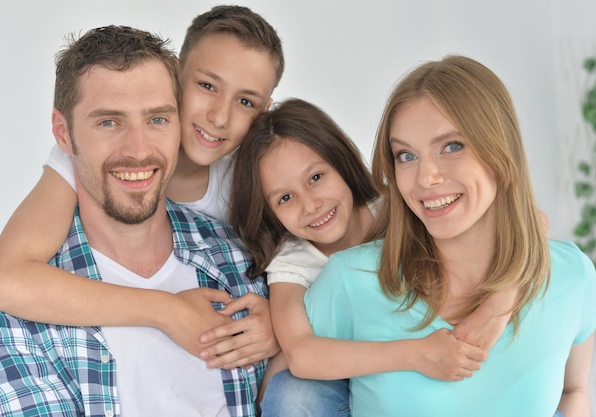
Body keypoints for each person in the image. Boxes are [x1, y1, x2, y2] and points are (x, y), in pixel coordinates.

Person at [0, 25, 268, 416]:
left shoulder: (238, 261)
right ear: (63, 133)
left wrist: (286, 330)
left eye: (158, 119)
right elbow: (4, 284)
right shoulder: (12, 315)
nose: (138, 149)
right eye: (109, 122)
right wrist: (166, 310)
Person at [304, 55, 596, 417]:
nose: (426, 177)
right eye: (406, 155)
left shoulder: (572, 275)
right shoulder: (352, 280)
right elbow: (288, 389)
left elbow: (574, 391)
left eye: (452, 146)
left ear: (500, 150)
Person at [216, 98, 517, 416]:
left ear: (341, 162)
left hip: (432, 364)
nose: (311, 205)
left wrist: (499, 306)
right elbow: (302, 355)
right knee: (290, 391)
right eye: (285, 198)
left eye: (316, 178)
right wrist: (417, 354)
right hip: (369, 367)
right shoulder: (293, 260)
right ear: (270, 212)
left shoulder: (396, 206)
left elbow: (530, 220)